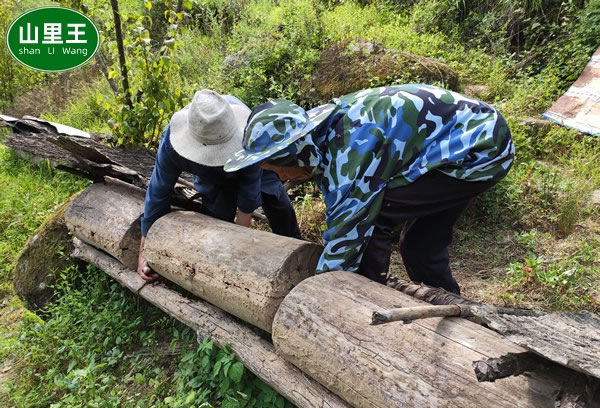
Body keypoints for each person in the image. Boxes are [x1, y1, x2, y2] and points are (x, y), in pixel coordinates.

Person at [224, 84, 514, 294]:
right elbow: (341, 204)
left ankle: (367, 299)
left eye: (275, 170)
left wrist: (316, 292)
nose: (281, 178)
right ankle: (446, 302)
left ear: (293, 154)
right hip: (460, 145)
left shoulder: (351, 149)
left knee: (375, 216)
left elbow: (346, 236)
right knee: (418, 245)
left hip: (479, 151)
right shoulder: (324, 133)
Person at [137, 90, 301, 282]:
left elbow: (249, 193)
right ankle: (216, 272)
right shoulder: (172, 144)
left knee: (276, 201)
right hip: (210, 177)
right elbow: (158, 192)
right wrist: (144, 249)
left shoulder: (247, 134)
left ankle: (298, 257)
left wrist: (242, 244)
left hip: (254, 166)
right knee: (218, 219)